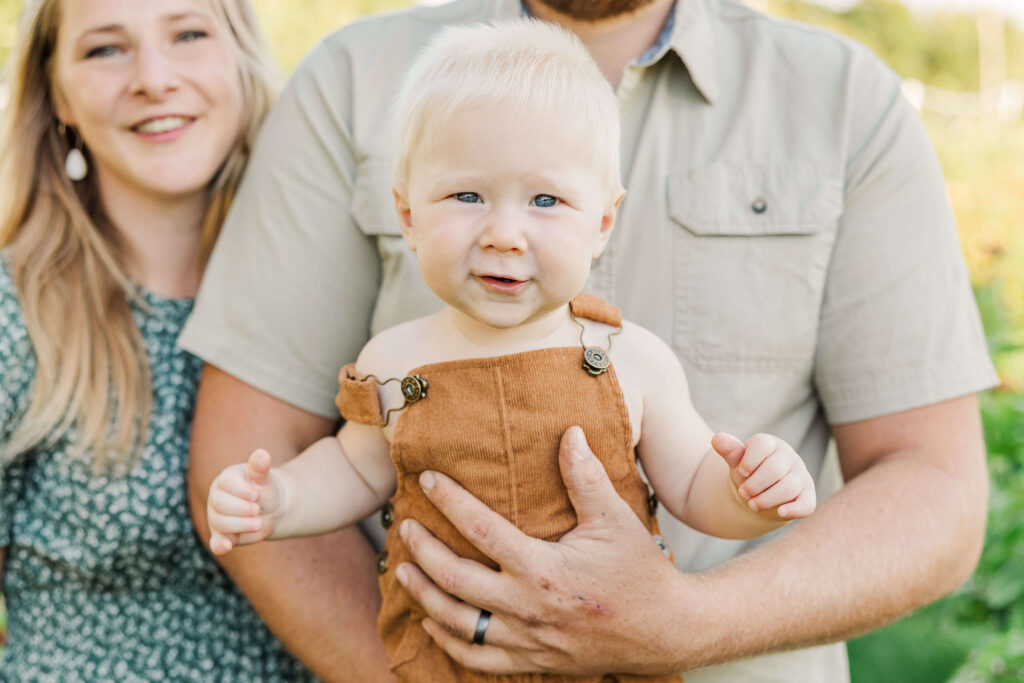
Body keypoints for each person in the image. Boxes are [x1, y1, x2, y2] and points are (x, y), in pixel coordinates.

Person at [182, 0, 998, 680]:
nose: (504, 236)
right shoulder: (397, 352)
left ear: (600, 220)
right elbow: (352, 462)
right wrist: (279, 499)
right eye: (466, 196)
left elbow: (693, 478)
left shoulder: (630, 358)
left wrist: (738, 520)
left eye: (545, 203)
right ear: (407, 213)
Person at [0, 0, 313, 679]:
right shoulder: (17, 313)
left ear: (238, 55)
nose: (153, 76)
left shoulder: (325, 291)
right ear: (57, 93)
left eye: (189, 33)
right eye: (105, 49)